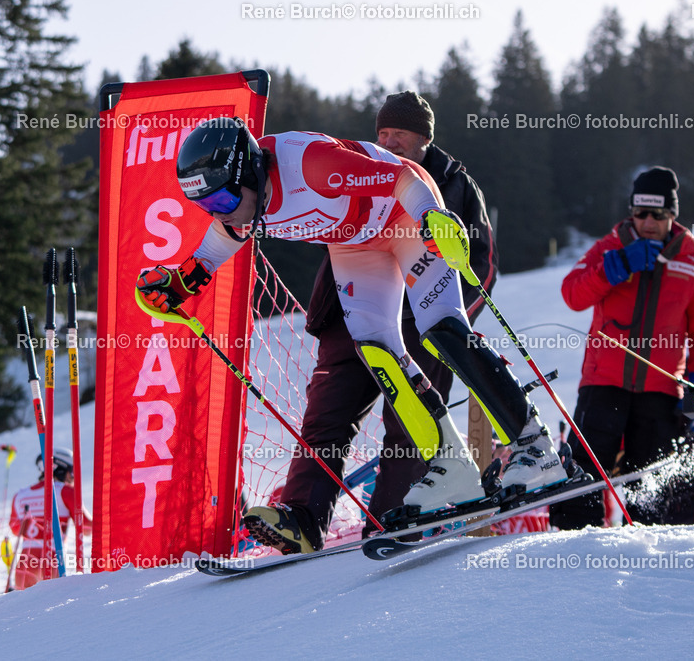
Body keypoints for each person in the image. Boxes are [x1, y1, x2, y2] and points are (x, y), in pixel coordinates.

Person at [138, 116, 568, 552]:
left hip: (403, 214)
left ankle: (534, 447)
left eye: (226, 197)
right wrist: (184, 280)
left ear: (249, 169)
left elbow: (402, 177)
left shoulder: (311, 165)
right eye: (207, 205)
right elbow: (222, 236)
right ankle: (449, 467)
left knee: (441, 329)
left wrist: (431, 217)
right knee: (377, 352)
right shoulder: (238, 205)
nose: (222, 210)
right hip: (355, 242)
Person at [245, 92, 497, 552]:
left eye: (399, 133)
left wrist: (447, 331)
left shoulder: (454, 183)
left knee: (408, 424)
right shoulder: (353, 163)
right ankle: (302, 518)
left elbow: (478, 263)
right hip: (349, 320)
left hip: (422, 329)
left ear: (424, 137)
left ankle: (394, 521)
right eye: (382, 133)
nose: (388, 141)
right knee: (325, 415)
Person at [549, 167, 694, 529]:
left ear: (672, 216)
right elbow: (572, 294)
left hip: (659, 391)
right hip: (603, 383)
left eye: (657, 214)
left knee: (651, 487)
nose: (647, 222)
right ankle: (574, 549)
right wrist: (612, 271)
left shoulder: (691, 262)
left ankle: (648, 560)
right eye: (640, 212)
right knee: (586, 474)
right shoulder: (611, 246)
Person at [8, 448, 91, 590]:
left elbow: (16, 530)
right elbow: (87, 528)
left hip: (25, 564)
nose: (72, 477)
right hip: (53, 560)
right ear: (59, 469)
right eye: (71, 472)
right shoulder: (66, 491)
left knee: (24, 611)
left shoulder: (20, 495)